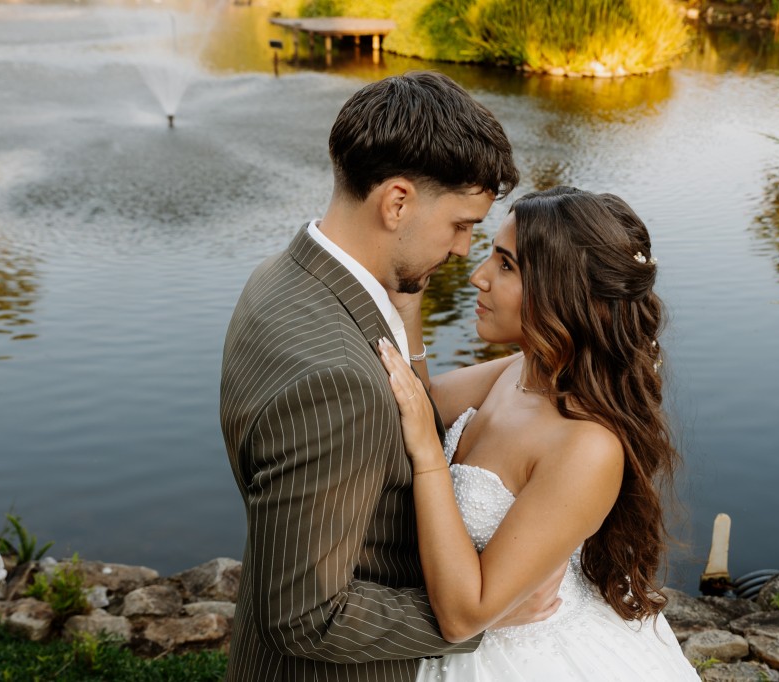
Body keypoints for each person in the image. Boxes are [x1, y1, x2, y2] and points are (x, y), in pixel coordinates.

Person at [219, 72, 562, 682]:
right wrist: (483, 616)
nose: (464, 251)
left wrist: (410, 322)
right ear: (397, 203)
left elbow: (386, 436)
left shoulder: (278, 278)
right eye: (461, 224)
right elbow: (306, 617)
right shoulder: (337, 384)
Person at [377, 186, 702, 681]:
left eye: (506, 266)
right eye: (492, 255)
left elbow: (464, 616)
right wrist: (407, 305)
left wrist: (428, 457)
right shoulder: (522, 371)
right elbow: (418, 402)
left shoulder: (586, 446)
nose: (479, 276)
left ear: (562, 290)